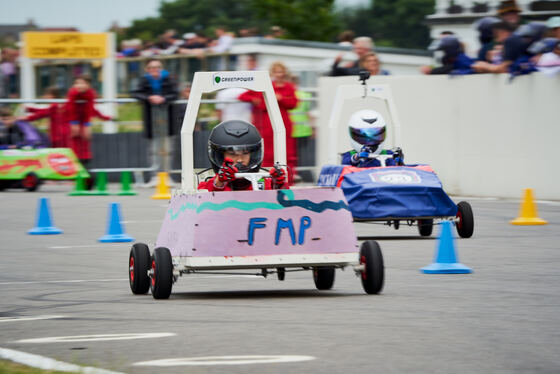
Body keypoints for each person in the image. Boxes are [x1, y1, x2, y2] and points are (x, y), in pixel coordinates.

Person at [238, 62, 298, 183]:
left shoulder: (289, 87)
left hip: (284, 122)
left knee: (288, 152)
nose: (279, 74)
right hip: (266, 123)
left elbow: (294, 103)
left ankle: (288, 180)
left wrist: (282, 99)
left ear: (284, 72)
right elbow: (243, 96)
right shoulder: (266, 86)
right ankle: (266, 180)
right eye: (276, 71)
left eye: (280, 71)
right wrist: (254, 100)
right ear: (272, 73)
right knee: (267, 153)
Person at [198, 120, 286, 191]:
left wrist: (279, 186)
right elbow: (204, 201)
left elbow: (287, 206)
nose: (239, 160)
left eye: (245, 153)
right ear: (220, 156)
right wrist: (220, 183)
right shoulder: (208, 186)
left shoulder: (264, 184)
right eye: (232, 154)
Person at [65, 75, 111, 166]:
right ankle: (73, 161)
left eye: (82, 83)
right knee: (74, 138)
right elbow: (71, 108)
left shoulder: (90, 93)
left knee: (86, 137)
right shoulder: (72, 92)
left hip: (83, 120)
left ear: (88, 85)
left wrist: (87, 125)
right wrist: (74, 123)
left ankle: (85, 160)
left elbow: (90, 109)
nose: (79, 86)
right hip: (71, 119)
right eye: (76, 83)